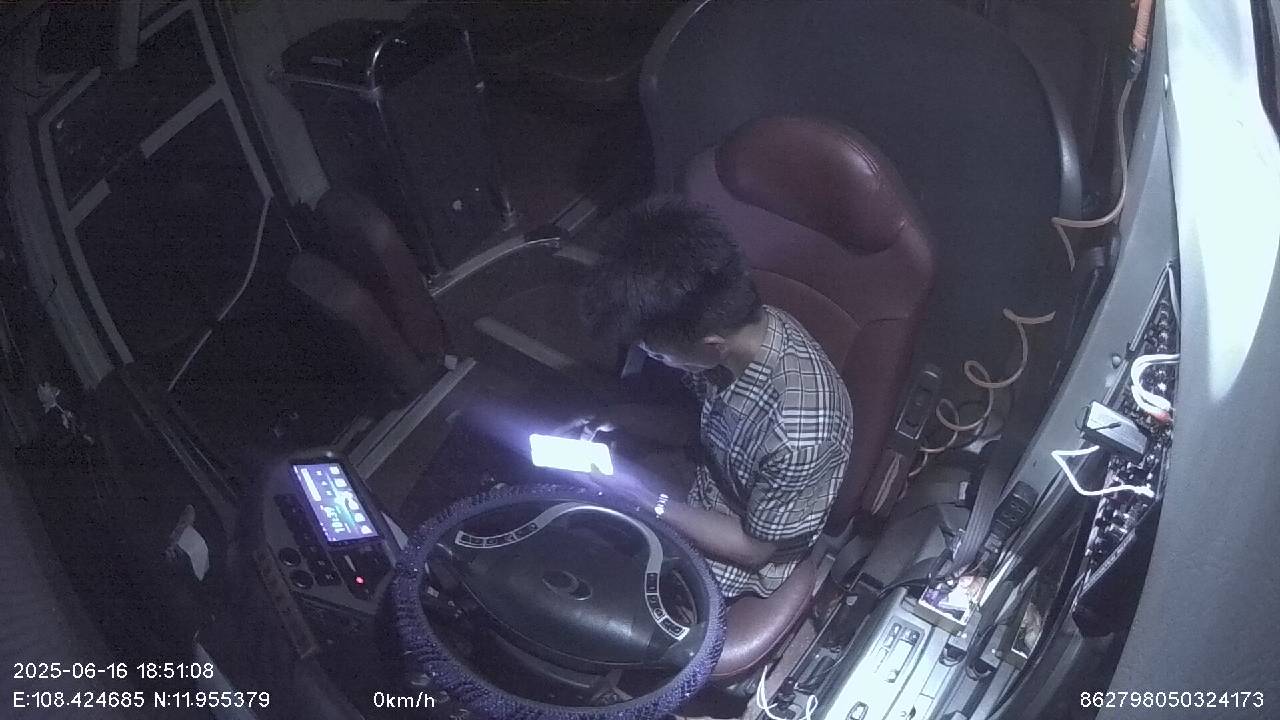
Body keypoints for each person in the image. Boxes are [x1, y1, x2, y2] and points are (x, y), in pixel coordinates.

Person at [571, 196, 854, 599]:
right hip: (704, 474)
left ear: (712, 347)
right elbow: (704, 427)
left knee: (599, 591)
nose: (659, 361)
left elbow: (754, 549)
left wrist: (646, 498)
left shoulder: (800, 435)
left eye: (659, 355)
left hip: (741, 540)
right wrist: (618, 416)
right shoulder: (736, 337)